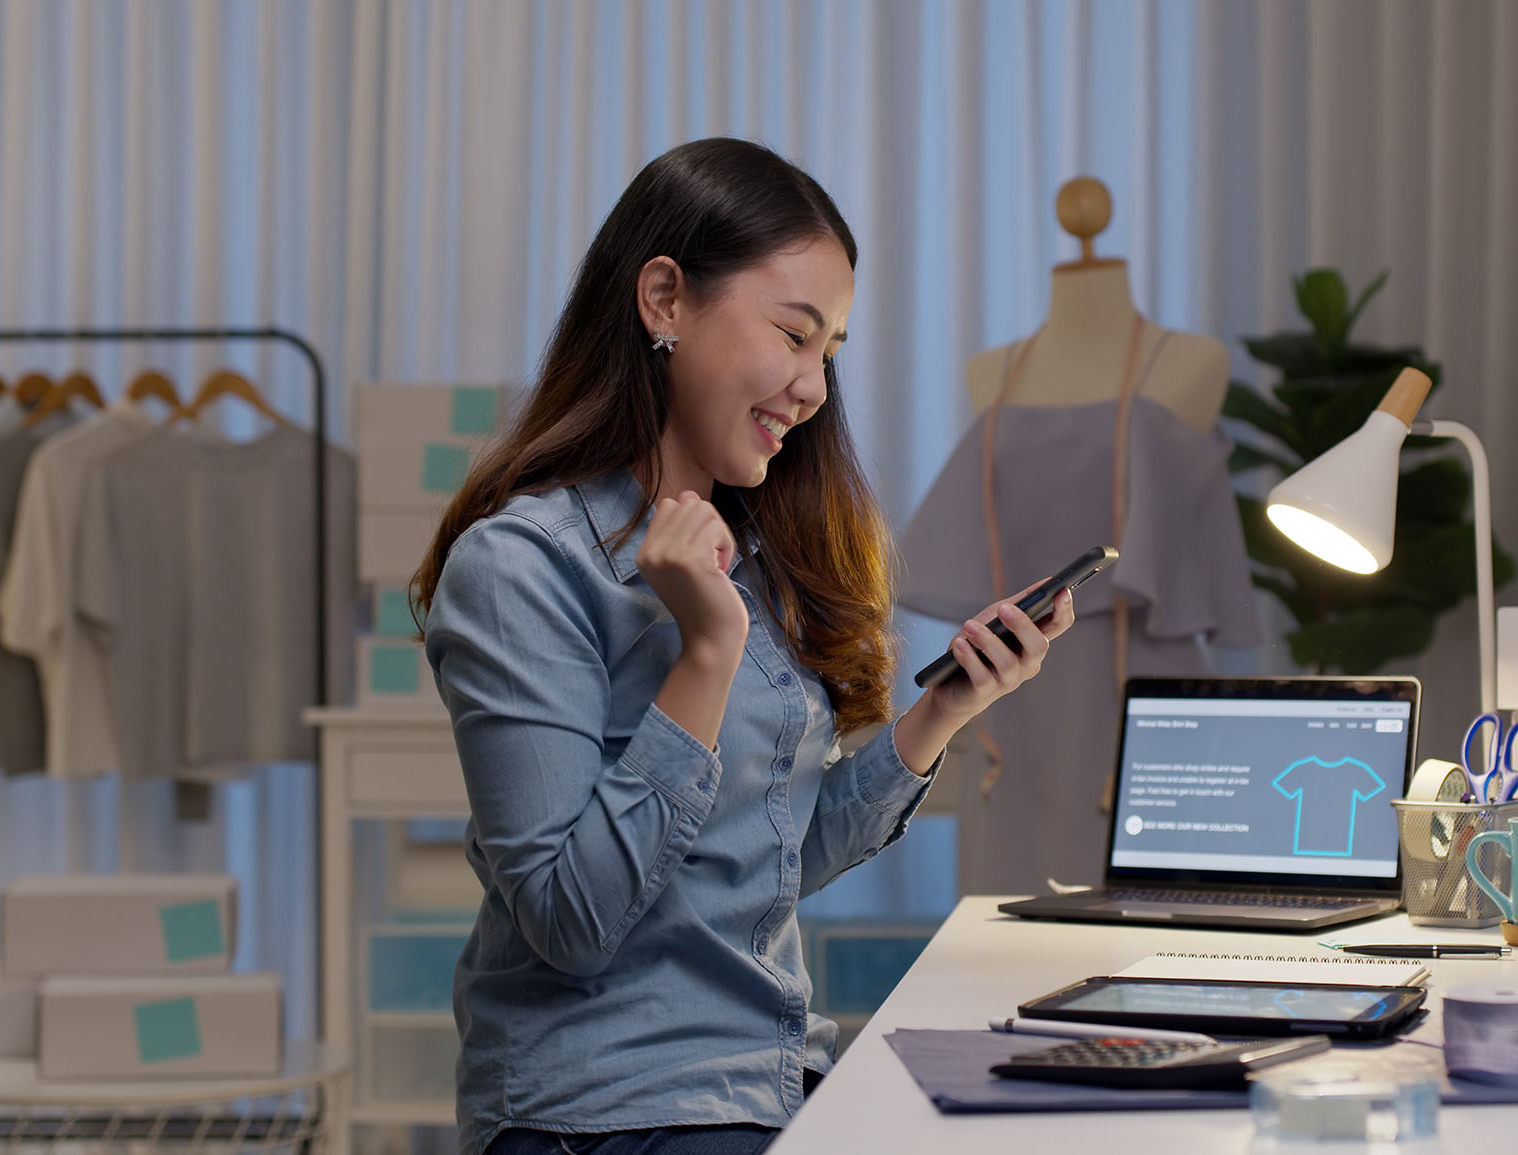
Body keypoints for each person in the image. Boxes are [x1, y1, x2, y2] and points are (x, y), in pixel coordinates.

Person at [412, 137, 1076, 1155]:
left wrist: (943, 710)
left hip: (765, 1079)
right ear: (664, 300)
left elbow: (765, 861)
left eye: (831, 352)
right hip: (602, 1111)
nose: (811, 387)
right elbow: (570, 921)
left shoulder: (751, 555)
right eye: (792, 334)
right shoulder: (521, 570)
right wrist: (704, 654)